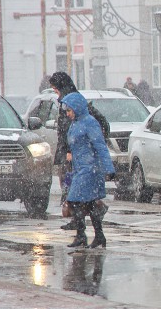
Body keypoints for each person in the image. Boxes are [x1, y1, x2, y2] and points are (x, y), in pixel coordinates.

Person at [49, 72, 109, 230]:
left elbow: (76, 128)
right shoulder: (68, 100)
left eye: (55, 89)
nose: (55, 92)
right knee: (76, 191)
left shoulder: (74, 102)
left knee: (75, 191)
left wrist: (74, 149)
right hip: (72, 155)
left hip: (76, 157)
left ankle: (82, 222)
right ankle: (82, 223)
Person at [61, 91, 115, 248]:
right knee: (90, 204)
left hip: (90, 169)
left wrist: (109, 168)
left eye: (69, 111)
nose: (68, 114)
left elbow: (100, 146)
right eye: (67, 111)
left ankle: (81, 235)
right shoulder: (75, 123)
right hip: (80, 169)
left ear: (77, 108)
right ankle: (98, 236)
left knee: (75, 200)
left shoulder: (90, 123)